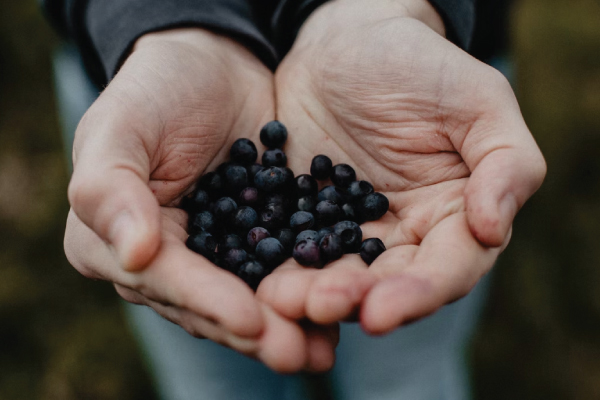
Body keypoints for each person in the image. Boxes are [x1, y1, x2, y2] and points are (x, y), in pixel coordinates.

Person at [44, 0, 546, 398]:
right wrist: (161, 19)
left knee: (403, 375)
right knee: (216, 380)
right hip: (132, 69)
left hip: (434, 45)